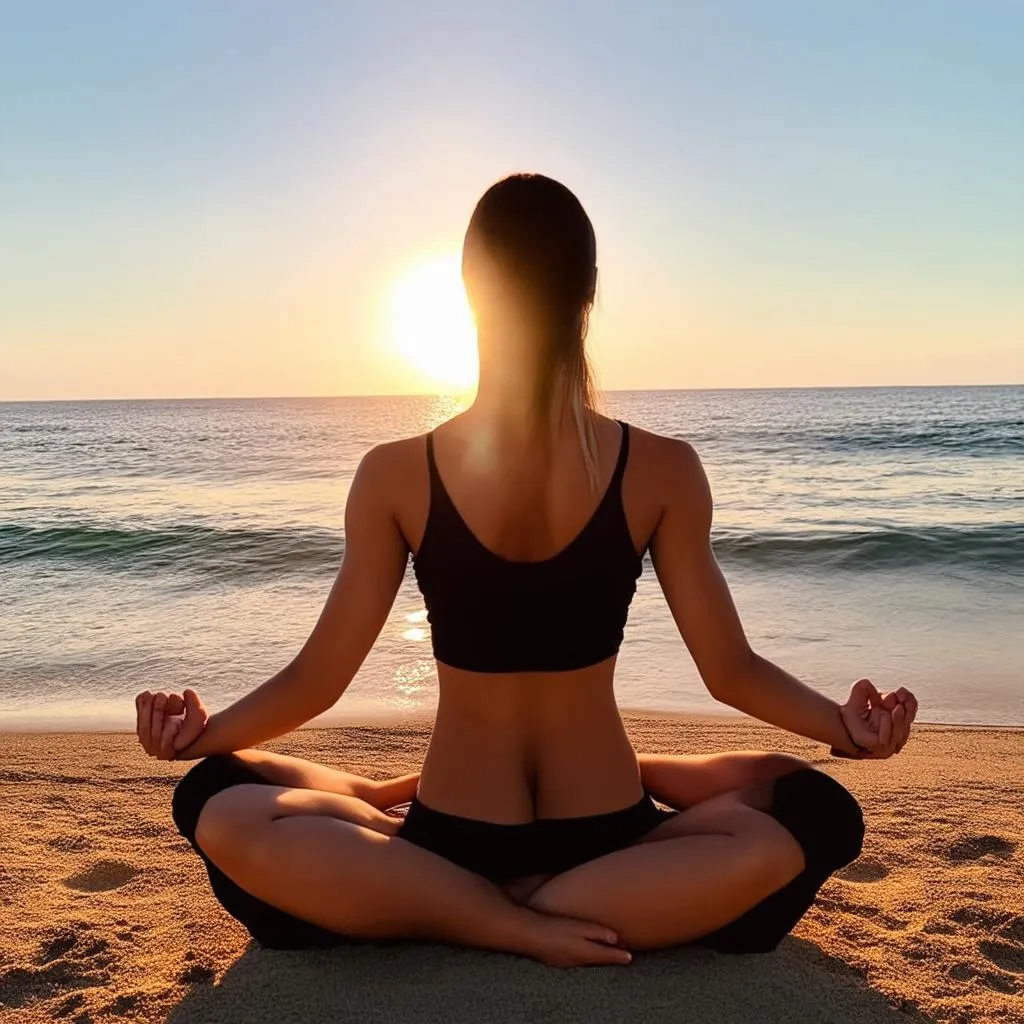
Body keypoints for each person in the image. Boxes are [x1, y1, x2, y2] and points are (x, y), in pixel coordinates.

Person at [135, 173, 917, 968]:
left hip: (446, 840)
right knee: (815, 810)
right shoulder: (663, 469)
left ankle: (457, 904)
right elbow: (731, 672)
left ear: (470, 294)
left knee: (214, 801)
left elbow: (317, 680)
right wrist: (842, 728)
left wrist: (203, 736)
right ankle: (529, 913)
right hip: (611, 845)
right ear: (590, 293)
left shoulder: (397, 472)